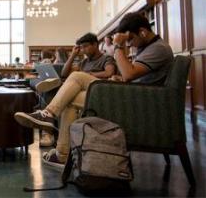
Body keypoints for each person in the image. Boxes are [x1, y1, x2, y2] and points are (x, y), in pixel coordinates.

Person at [14, 12, 173, 169]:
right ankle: (61, 153)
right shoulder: (149, 48)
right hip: (133, 96)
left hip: (135, 103)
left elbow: (129, 73)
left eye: (130, 39)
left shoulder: (157, 49)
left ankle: (48, 115)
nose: (129, 44)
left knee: (77, 77)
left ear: (143, 32)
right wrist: (120, 78)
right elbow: (131, 76)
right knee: (70, 98)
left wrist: (117, 46)